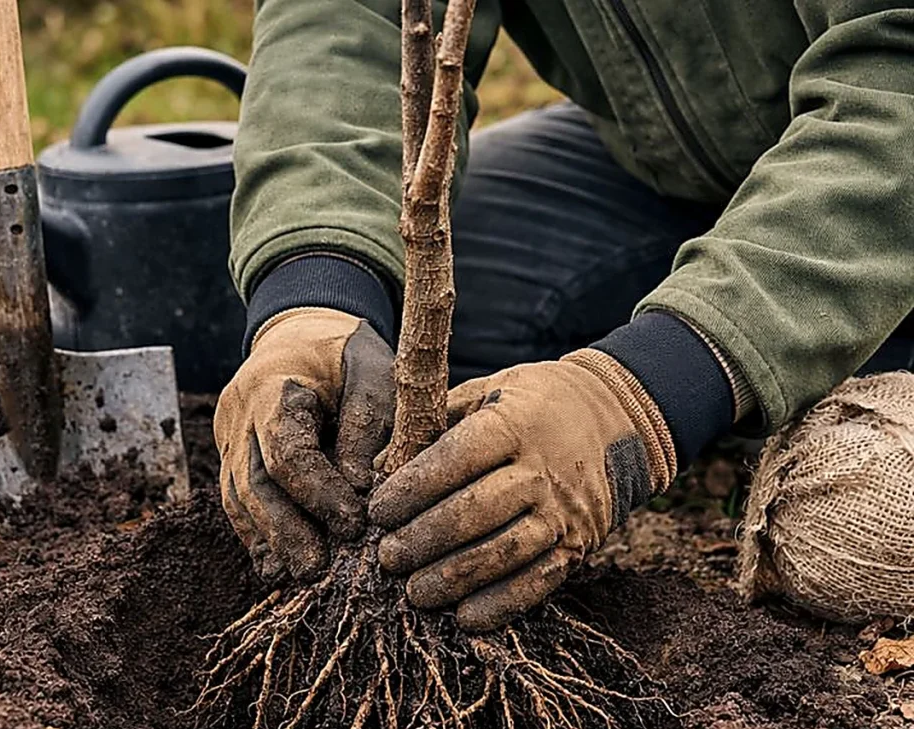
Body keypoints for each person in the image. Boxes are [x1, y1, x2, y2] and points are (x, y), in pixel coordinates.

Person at [213, 0, 914, 633]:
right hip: (667, 178)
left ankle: (773, 367)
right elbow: (352, 20)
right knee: (385, 298)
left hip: (885, 155)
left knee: (860, 519)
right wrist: (314, 295)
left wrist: (643, 395)